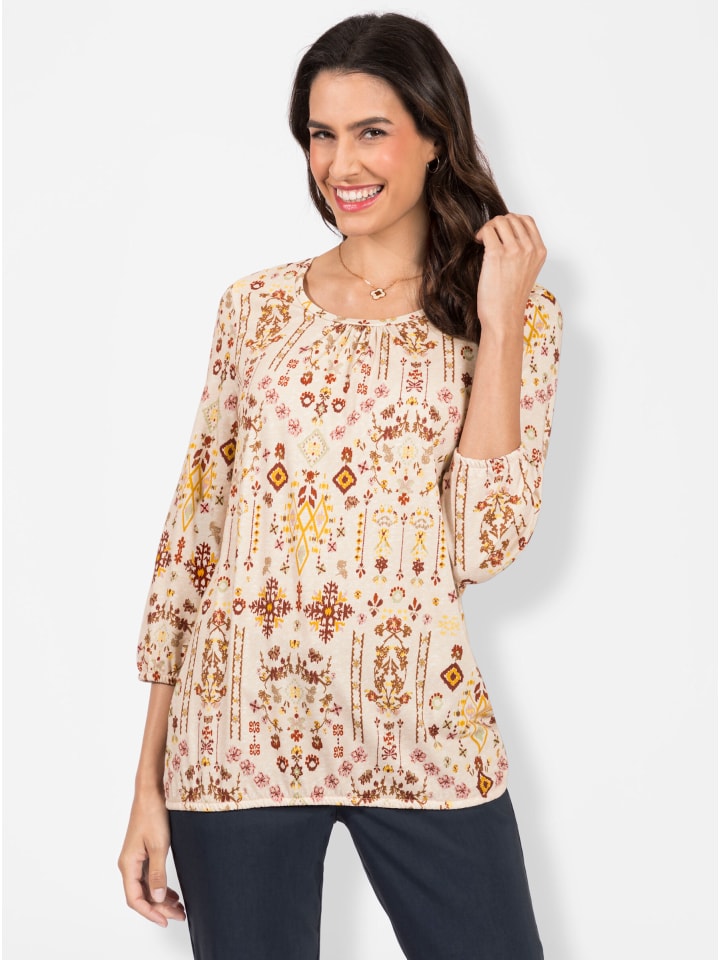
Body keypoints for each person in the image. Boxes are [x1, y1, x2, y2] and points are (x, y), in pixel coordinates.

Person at [118, 11, 562, 959]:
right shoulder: (255, 308)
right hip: (234, 740)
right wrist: (147, 782)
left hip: (420, 729)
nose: (340, 163)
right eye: (322, 134)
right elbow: (194, 536)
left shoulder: (513, 316)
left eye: (371, 131)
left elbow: (484, 543)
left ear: (436, 137)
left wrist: (500, 318)